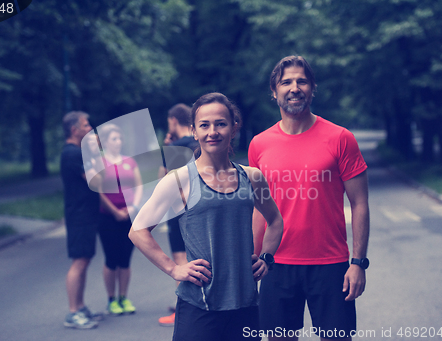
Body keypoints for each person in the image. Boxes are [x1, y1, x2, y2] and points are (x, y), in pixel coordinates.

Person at [129, 92, 283, 341]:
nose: (213, 131)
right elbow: (137, 230)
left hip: (246, 304)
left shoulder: (252, 177)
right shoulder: (179, 180)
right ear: (194, 131)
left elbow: (275, 221)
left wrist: (266, 258)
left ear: (234, 128)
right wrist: (173, 269)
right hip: (199, 305)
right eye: (205, 125)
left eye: (221, 123)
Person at [248, 55, 370, 341]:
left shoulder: (341, 138)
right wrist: (251, 262)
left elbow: (360, 204)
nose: (294, 87)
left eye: (301, 81)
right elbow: (258, 210)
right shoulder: (259, 144)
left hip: (331, 266)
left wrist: (358, 263)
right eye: (286, 82)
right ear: (274, 91)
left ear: (312, 88)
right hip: (275, 264)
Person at [157, 103, 199, 327]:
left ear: (173, 120)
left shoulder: (175, 148)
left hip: (179, 211)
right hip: (200, 206)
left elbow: (164, 179)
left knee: (181, 262)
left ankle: (183, 312)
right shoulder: (198, 143)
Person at [60, 111, 102, 329]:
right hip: (80, 216)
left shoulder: (75, 153)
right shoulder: (73, 154)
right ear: (75, 130)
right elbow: (97, 180)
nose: (90, 129)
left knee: (84, 260)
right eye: (86, 126)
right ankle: (73, 312)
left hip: (84, 214)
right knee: (79, 261)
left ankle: (80, 306)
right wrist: (95, 152)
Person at [96, 123, 143, 315]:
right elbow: (98, 191)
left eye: (120, 138)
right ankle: (111, 299)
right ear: (105, 142)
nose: (118, 142)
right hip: (107, 217)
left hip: (130, 216)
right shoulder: (99, 162)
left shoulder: (129, 161)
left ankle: (123, 297)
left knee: (125, 259)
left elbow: (139, 185)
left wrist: (133, 207)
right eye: (114, 139)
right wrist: (114, 211)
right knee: (111, 258)